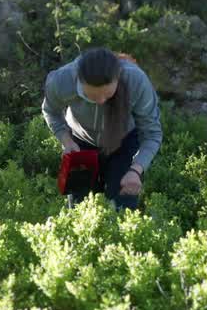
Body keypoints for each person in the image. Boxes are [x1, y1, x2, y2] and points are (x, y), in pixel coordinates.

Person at [41, 47, 163, 210]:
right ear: (79, 81)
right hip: (80, 143)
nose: (100, 101)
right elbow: (51, 111)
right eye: (92, 96)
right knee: (79, 208)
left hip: (123, 142)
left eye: (107, 95)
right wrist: (66, 140)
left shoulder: (136, 81)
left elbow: (152, 134)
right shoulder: (61, 81)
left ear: (117, 79)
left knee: (123, 207)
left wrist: (136, 170)